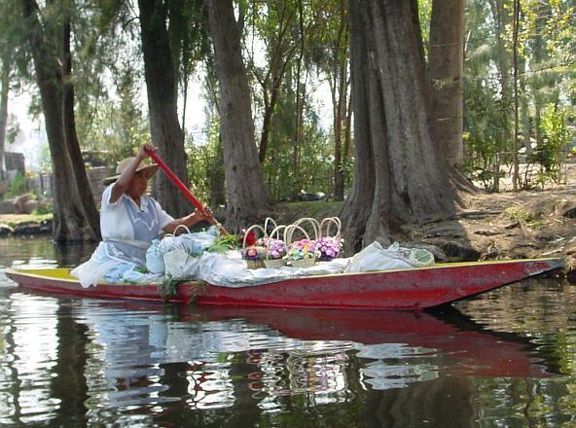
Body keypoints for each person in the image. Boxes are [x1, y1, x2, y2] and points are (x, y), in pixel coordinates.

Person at [71, 143, 213, 287]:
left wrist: (196, 217)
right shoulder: (113, 197)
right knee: (139, 277)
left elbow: (172, 227)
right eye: (138, 176)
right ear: (127, 178)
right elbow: (120, 186)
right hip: (114, 261)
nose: (144, 182)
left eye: (145, 177)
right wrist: (139, 157)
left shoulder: (150, 204)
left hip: (145, 263)